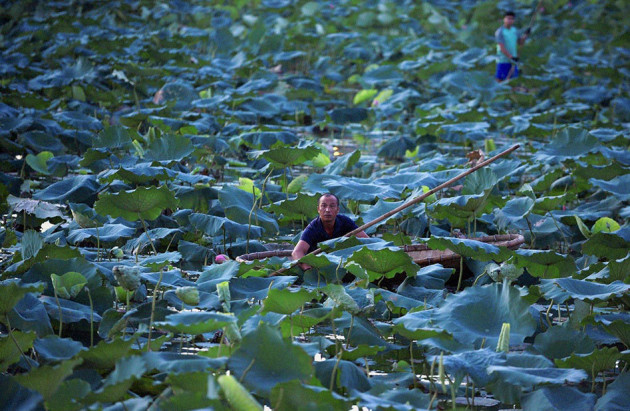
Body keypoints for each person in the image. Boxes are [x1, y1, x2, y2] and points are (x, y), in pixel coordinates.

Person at [292, 193, 368, 269]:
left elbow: (367, 240)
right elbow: (297, 252)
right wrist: (308, 270)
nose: (327, 210)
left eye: (332, 206)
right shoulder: (313, 227)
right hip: (319, 269)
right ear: (318, 209)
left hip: (342, 265)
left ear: (338, 209)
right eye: (324, 206)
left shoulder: (345, 222)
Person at [495, 11, 530, 82]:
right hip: (503, 60)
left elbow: (520, 42)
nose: (510, 21)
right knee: (500, 81)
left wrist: (525, 35)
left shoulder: (514, 30)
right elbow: (501, 48)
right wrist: (511, 57)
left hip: (513, 61)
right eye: (508, 18)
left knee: (512, 81)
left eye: (512, 19)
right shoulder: (500, 31)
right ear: (504, 19)